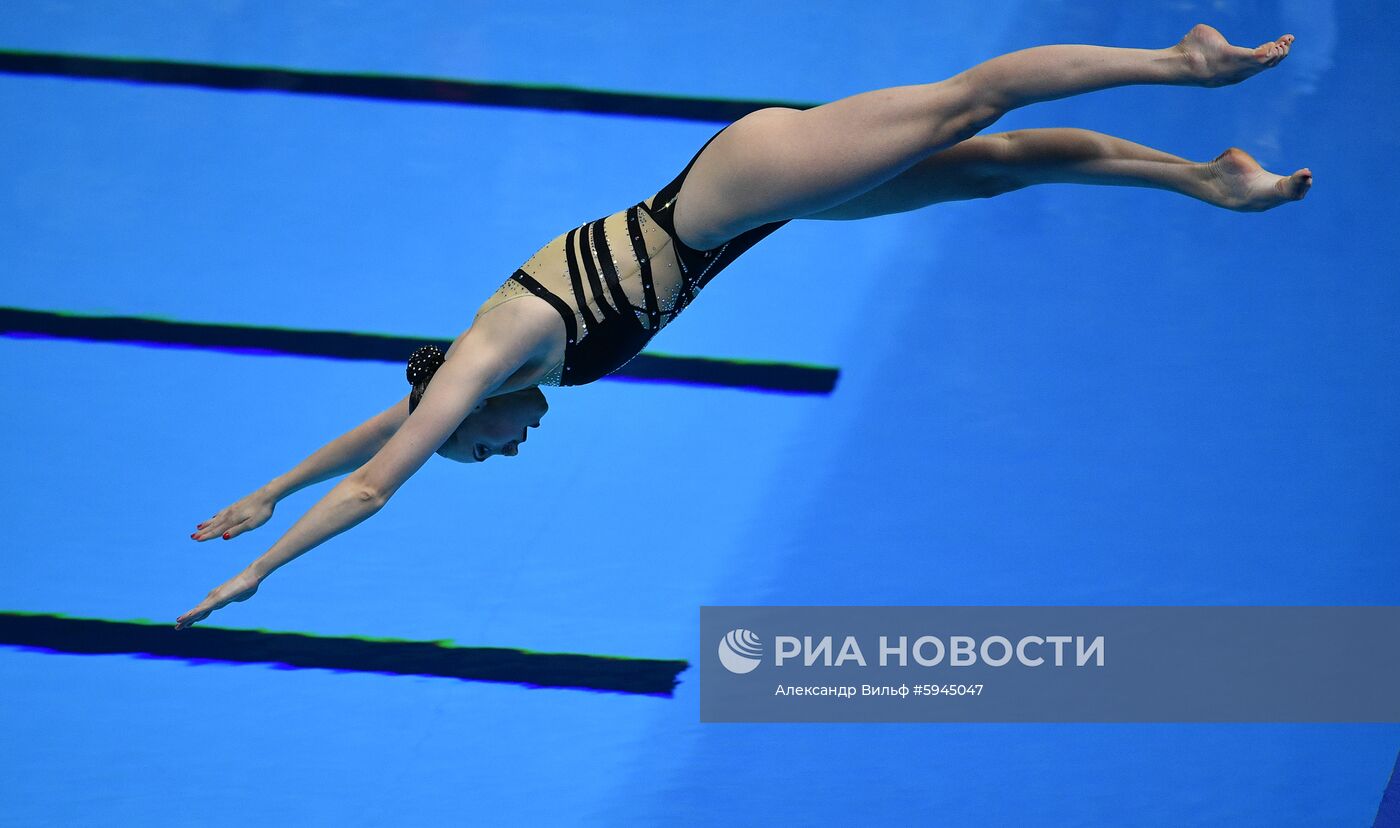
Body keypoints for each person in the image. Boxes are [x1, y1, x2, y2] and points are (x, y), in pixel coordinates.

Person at [176, 24, 1309, 630]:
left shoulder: (493, 355)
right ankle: (1204, 179)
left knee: (969, 107)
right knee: (987, 171)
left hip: (738, 182)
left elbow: (378, 479)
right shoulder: (485, 373)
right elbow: (380, 436)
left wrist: (265, 571)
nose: (505, 446)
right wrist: (269, 487)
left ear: (458, 414)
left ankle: (1179, 64)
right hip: (745, 217)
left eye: (477, 447)